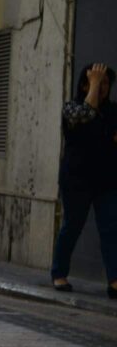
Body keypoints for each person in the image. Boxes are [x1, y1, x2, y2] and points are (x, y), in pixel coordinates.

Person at [50, 63, 117, 298]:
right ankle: (59, 273)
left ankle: (114, 281)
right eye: (97, 82)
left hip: (106, 180)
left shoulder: (113, 112)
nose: (102, 87)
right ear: (84, 84)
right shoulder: (72, 107)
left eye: (106, 83)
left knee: (111, 229)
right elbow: (86, 114)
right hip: (77, 179)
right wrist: (95, 84)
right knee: (72, 226)